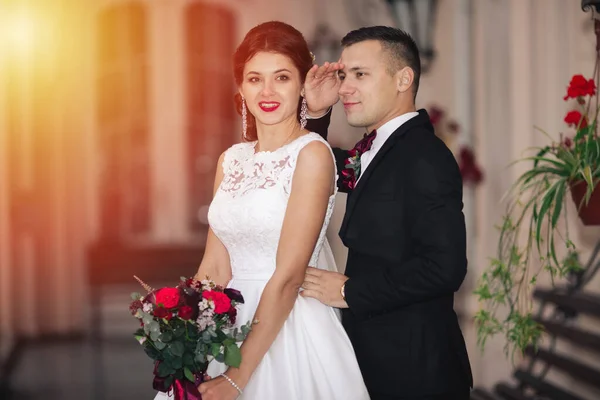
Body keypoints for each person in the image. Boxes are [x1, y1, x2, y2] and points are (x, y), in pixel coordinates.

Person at [154, 21, 369, 400]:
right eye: (254, 79)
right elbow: (214, 266)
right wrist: (187, 343)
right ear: (241, 88)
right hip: (227, 327)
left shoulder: (312, 155)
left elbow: (288, 276)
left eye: (281, 77)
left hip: (289, 326)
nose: (267, 91)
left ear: (302, 84)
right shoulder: (231, 159)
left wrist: (236, 377)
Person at [301, 26, 473, 400]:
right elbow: (312, 170)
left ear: (403, 79)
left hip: (415, 372)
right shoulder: (375, 150)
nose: (345, 87)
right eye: (344, 75)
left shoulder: (425, 157)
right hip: (375, 361)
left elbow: (445, 267)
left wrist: (349, 289)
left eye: (360, 74)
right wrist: (316, 112)